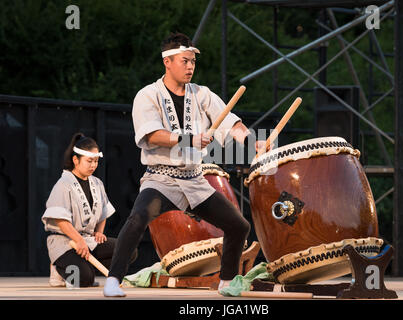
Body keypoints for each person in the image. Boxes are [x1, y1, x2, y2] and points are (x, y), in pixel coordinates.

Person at [103, 32, 262, 297]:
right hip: (161, 179)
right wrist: (189, 139)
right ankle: (112, 281)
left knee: (239, 226)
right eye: (184, 61)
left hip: (194, 180)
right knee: (138, 217)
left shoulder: (202, 94)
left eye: (193, 62)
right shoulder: (147, 95)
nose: (190, 67)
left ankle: (226, 282)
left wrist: (252, 141)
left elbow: (230, 122)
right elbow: (152, 135)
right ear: (167, 61)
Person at [42, 133, 137, 288]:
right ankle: (58, 269)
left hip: (88, 241)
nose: (93, 165)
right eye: (89, 161)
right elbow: (61, 221)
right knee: (84, 279)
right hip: (65, 242)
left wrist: (99, 231)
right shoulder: (63, 184)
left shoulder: (97, 183)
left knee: (128, 250)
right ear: (75, 160)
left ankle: (83, 265)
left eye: (96, 161)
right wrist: (78, 240)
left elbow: (103, 212)